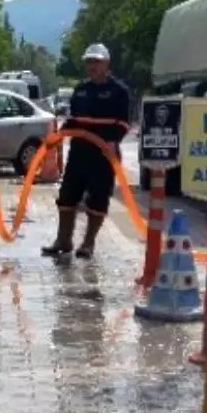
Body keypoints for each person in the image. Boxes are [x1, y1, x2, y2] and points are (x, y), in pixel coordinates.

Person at [42, 43, 131, 258]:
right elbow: (74, 120)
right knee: (67, 196)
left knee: (98, 199)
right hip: (79, 153)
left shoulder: (119, 91)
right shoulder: (81, 90)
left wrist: (112, 140)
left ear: (106, 64)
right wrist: (57, 136)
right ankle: (63, 240)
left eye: (96, 62)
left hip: (103, 155)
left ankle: (88, 243)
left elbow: (124, 123)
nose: (92, 66)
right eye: (89, 61)